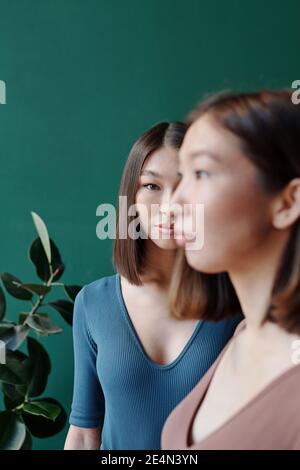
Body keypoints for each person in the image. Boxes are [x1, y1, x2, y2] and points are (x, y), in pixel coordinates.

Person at [64, 121, 241, 450]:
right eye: (152, 186)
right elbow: (84, 433)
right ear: (130, 195)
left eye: (185, 183)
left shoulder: (237, 298)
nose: (170, 204)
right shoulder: (93, 303)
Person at [161, 90, 300, 450]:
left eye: (202, 172)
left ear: (289, 202)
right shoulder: (243, 334)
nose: (175, 201)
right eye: (183, 174)